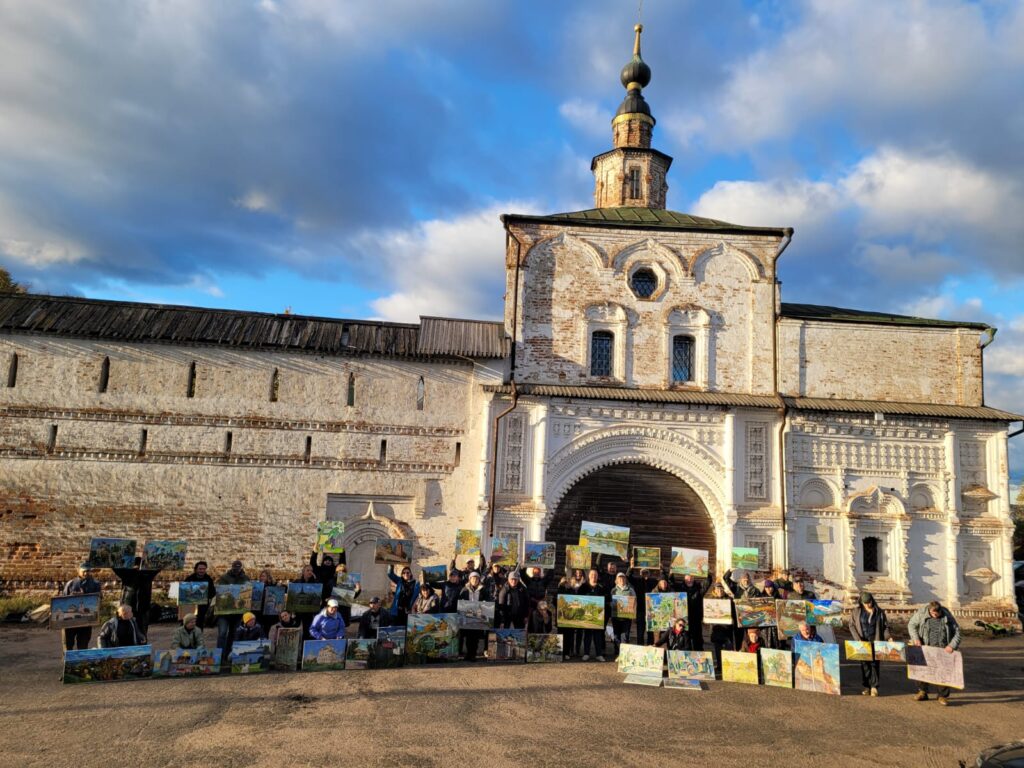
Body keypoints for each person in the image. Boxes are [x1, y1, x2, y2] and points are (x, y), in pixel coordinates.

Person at [908, 600, 961, 705]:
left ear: (940, 610)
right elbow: (911, 624)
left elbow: (957, 632)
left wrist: (952, 645)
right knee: (922, 670)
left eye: (937, 614)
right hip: (925, 646)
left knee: (943, 672)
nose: (935, 616)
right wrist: (915, 638)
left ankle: (942, 696)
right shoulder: (922, 613)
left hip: (942, 649)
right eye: (933, 614)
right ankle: (922, 692)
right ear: (929, 610)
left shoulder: (946, 616)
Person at [849, 592, 892, 697]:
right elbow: (851, 625)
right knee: (865, 665)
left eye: (869, 602)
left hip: (875, 641)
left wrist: (888, 637)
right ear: (861, 602)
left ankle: (874, 687)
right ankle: (866, 686)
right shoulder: (856, 612)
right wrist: (857, 639)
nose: (868, 605)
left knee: (874, 664)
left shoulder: (879, 612)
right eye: (865, 603)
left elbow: (885, 627)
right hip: (862, 642)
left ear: (872, 600)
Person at [112, 556, 161, 635]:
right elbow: (116, 568)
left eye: (139, 565)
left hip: (143, 608)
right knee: (125, 630)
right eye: (136, 565)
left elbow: (157, 569)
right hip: (128, 606)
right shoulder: (127, 574)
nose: (138, 567)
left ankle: (142, 644)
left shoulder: (147, 575)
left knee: (142, 630)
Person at [60, 563, 101, 650]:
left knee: (83, 644)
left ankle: (81, 662)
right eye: (84, 571)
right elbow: (63, 599)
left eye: (88, 571)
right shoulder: (71, 583)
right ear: (78, 571)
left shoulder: (95, 584)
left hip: (86, 620)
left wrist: (87, 596)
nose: (86, 573)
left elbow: (98, 599)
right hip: (71, 620)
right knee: (68, 644)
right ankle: (68, 662)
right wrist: (73, 596)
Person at [215, 560, 249, 652]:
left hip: (237, 612)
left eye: (238, 568)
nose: (236, 570)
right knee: (222, 633)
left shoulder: (245, 578)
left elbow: (247, 592)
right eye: (235, 568)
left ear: (241, 568)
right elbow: (219, 592)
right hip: (224, 612)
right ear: (232, 567)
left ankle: (228, 653)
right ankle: (220, 655)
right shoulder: (224, 577)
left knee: (233, 634)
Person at [459, 571, 492, 661]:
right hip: (467, 616)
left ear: (479, 580)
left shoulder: (483, 590)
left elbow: (488, 600)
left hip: (478, 616)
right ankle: (468, 654)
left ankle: (473, 654)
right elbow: (460, 601)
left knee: (475, 636)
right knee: (468, 636)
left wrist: (485, 604)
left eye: (477, 578)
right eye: (473, 578)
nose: (475, 580)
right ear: (470, 579)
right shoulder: (464, 590)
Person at [704, 581, 736, 673]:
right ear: (714, 590)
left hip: (727, 628)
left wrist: (733, 619)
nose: (719, 591)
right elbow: (707, 613)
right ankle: (719, 666)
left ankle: (728, 667)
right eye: (718, 589)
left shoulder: (729, 599)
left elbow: (733, 612)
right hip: (716, 628)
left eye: (721, 589)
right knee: (717, 649)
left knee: (728, 648)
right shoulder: (710, 600)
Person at [577, 569, 608, 661]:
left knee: (598, 635)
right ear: (589, 576)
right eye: (592, 575)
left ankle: (599, 654)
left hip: (598, 615)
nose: (594, 576)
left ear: (597, 577)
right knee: (587, 634)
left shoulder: (601, 587)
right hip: (586, 614)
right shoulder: (584, 586)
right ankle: (586, 653)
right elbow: (578, 598)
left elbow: (607, 599)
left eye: (595, 575)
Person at [628, 560, 658, 646]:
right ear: (641, 573)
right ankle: (640, 648)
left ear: (649, 573)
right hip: (640, 610)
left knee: (650, 632)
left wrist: (662, 569)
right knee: (640, 632)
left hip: (651, 610)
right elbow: (628, 577)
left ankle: (650, 647)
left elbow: (662, 581)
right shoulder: (637, 581)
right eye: (643, 572)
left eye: (646, 572)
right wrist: (631, 567)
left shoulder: (653, 581)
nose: (645, 574)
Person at [556, 571, 582, 660]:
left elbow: (576, 602)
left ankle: (566, 652)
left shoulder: (572, 591)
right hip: (561, 617)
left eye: (567, 582)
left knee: (569, 635)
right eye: (564, 582)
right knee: (560, 634)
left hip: (570, 617)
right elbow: (555, 603)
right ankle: (560, 652)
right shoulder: (558, 591)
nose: (566, 584)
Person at [183, 560, 216, 628]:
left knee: (200, 623)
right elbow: (184, 591)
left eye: (204, 569)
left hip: (203, 606)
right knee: (188, 623)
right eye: (200, 569)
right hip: (190, 605)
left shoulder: (208, 579)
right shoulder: (190, 579)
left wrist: (205, 594)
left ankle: (198, 637)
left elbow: (212, 593)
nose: (202, 571)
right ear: (196, 569)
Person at [679, 572, 706, 651]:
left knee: (697, 640)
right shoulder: (680, 587)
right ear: (684, 579)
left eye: (691, 578)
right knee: (686, 640)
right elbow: (670, 582)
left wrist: (708, 573)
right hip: (684, 618)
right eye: (687, 578)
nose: (689, 580)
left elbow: (707, 583)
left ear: (694, 579)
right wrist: (669, 573)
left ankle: (699, 658)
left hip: (696, 618)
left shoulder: (699, 588)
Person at [610, 572, 636, 654]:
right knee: (616, 635)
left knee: (625, 636)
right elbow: (611, 602)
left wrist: (634, 613)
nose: (621, 579)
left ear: (625, 579)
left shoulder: (630, 590)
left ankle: (624, 654)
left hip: (627, 618)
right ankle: (617, 652)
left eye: (623, 578)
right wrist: (611, 604)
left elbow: (635, 601)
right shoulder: (613, 590)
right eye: (619, 578)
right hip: (616, 617)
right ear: (616, 580)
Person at [294, 563, 320, 638]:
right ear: (303, 572)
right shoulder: (297, 582)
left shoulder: (315, 582)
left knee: (307, 630)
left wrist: (315, 579)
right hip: (298, 610)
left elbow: (318, 592)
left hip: (309, 611)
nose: (310, 572)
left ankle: (304, 646)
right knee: (296, 628)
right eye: (307, 570)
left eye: (311, 571)